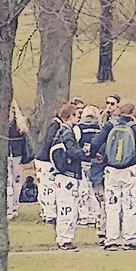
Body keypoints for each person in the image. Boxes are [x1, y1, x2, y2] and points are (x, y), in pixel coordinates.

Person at [89, 99, 136, 250]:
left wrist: (97, 155)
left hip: (111, 169)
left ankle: (112, 239)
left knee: (112, 206)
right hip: (131, 170)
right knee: (131, 205)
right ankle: (130, 239)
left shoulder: (110, 125)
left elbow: (95, 143)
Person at [48, 102, 88, 251]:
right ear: (69, 116)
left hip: (64, 175)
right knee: (68, 207)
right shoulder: (67, 133)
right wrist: (86, 154)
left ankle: (63, 237)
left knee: (66, 205)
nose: (79, 117)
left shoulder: (63, 132)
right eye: (76, 115)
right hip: (68, 175)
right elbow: (72, 151)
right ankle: (65, 239)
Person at [76, 106, 105, 237]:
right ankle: (95, 214)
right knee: (95, 190)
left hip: (83, 161)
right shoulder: (100, 128)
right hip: (97, 162)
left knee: (83, 188)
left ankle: (84, 215)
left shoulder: (79, 128)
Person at [33, 110, 60, 224]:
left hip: (45, 159)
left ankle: (47, 212)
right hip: (45, 160)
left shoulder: (55, 125)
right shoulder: (55, 126)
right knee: (48, 188)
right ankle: (50, 214)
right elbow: (50, 142)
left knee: (46, 187)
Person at [7, 103, 30, 220]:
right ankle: (14, 206)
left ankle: (10, 208)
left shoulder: (7, 125)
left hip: (10, 155)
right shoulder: (20, 124)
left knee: (10, 181)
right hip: (17, 155)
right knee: (16, 181)